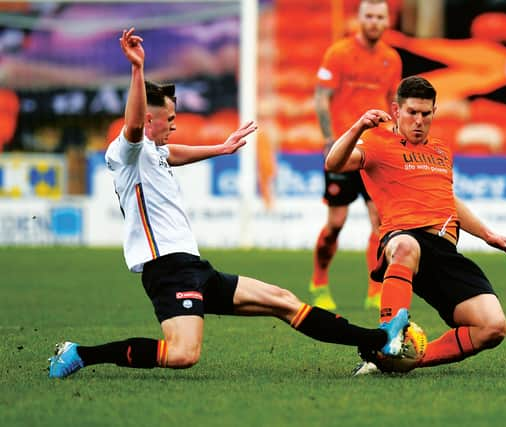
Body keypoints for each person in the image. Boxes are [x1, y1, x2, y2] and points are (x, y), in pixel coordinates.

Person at [47, 28, 410, 379]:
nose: (174, 126)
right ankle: (80, 353)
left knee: (283, 300)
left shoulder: (156, 153)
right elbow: (135, 126)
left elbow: (175, 153)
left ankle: (376, 341)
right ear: (147, 121)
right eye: (169, 120)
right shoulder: (127, 151)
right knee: (183, 354)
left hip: (193, 267)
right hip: (167, 270)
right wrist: (138, 69)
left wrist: (221, 148)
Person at [323, 75, 506, 375]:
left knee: (492, 327)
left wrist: (488, 235)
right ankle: (386, 338)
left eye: (426, 113)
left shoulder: (441, 150)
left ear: (434, 112)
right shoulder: (377, 143)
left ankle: (397, 360)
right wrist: (358, 128)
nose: (419, 120)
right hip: (402, 239)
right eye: (412, 112)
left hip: (444, 251)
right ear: (396, 111)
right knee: (406, 246)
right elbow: (334, 163)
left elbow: (447, 200)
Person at [310, 0, 402, 311]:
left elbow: (393, 105)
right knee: (336, 223)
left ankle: (375, 290)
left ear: (387, 21)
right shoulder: (338, 53)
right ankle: (319, 278)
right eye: (370, 16)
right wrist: (328, 139)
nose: (375, 22)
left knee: (379, 221)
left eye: (380, 17)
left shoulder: (392, 59)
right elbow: (322, 98)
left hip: (376, 151)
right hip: (345, 149)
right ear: (359, 19)